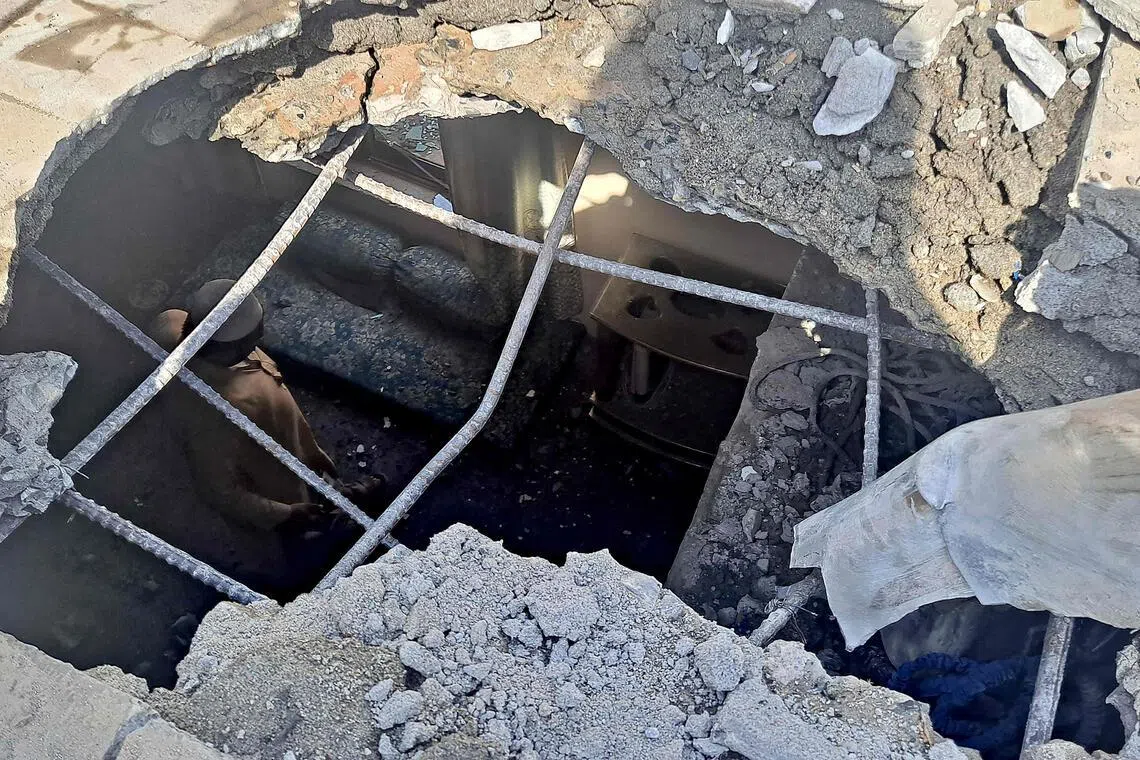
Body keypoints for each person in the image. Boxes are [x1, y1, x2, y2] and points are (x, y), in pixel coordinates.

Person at [148, 279, 384, 538]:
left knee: (313, 467)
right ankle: (329, 527)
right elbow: (219, 490)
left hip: (287, 433)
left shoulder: (173, 322)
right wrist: (286, 513)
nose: (259, 339)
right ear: (231, 347)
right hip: (269, 467)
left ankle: (336, 494)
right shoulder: (216, 414)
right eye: (252, 337)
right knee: (306, 508)